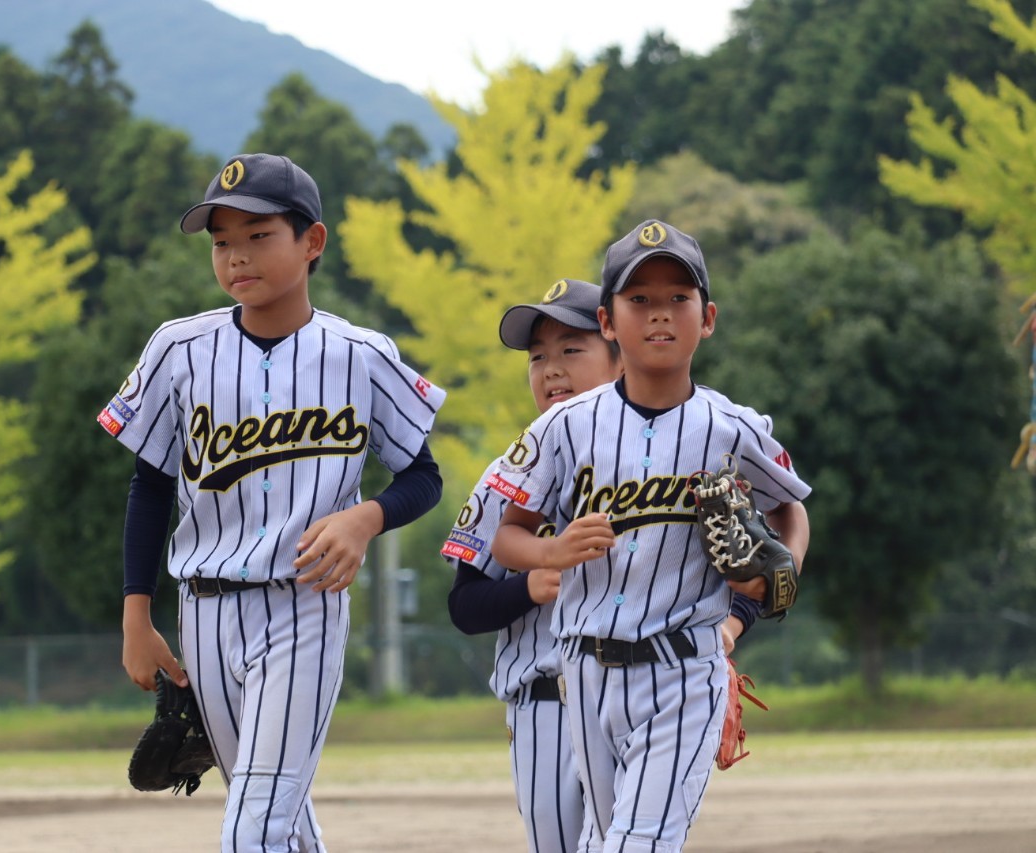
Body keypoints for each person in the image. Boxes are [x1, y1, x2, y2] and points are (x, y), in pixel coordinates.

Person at [98, 153, 446, 852]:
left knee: (255, 822)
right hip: (204, 611)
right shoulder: (179, 349)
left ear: (312, 241)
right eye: (222, 241)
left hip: (303, 605)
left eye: (259, 235)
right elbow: (151, 485)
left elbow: (423, 476)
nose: (237, 256)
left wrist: (366, 517)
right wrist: (137, 614)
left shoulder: (361, 354)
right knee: (277, 818)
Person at [491, 219, 810, 852]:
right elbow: (508, 536)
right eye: (639, 299)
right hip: (584, 671)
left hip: (684, 668)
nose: (659, 313)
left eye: (677, 298)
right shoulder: (565, 426)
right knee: (608, 839)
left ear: (707, 318)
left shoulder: (733, 428)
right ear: (607, 322)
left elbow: (790, 508)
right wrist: (552, 551)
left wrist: (782, 574)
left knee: (637, 842)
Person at [443, 278, 761, 852]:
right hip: (545, 701)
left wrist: (732, 625)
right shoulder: (508, 473)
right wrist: (532, 585)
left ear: (620, 353)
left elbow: (745, 556)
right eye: (537, 357)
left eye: (571, 349)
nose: (551, 370)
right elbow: (464, 606)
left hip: (657, 681)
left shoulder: (684, 451)